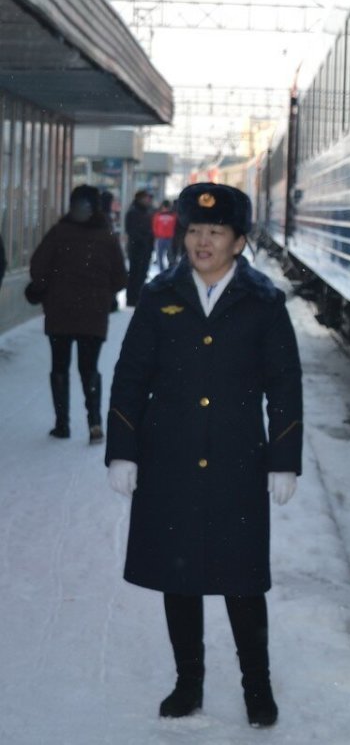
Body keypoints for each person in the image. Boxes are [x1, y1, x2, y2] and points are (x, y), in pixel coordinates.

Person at [105, 182, 303, 728]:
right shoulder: (159, 296)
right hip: (168, 458)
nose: (202, 241)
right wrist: (123, 451)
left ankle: (256, 687)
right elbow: (129, 377)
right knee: (180, 577)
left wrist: (283, 458)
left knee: (242, 581)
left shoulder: (263, 301)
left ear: (239, 241)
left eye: (215, 232)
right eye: (194, 230)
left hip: (238, 462)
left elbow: (285, 384)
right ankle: (187, 683)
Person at [25, 185, 128, 443]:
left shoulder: (59, 233)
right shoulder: (107, 237)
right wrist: (101, 292)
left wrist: (48, 287)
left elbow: (38, 266)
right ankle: (94, 424)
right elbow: (120, 278)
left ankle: (62, 424)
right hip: (93, 314)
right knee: (89, 368)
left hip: (59, 313)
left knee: (59, 366)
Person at [124, 189, 155, 306]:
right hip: (137, 248)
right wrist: (143, 239)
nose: (148, 200)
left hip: (146, 248)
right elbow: (132, 230)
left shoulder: (146, 211)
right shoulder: (133, 212)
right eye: (146, 198)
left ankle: (137, 297)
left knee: (142, 273)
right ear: (140, 199)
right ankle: (132, 298)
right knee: (135, 274)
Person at [150, 199, 177, 271]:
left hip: (169, 238)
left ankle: (171, 269)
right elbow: (154, 226)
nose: (166, 209)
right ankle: (162, 270)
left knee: (170, 255)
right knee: (160, 256)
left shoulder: (173, 216)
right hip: (161, 238)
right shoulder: (158, 215)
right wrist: (156, 235)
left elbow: (175, 227)